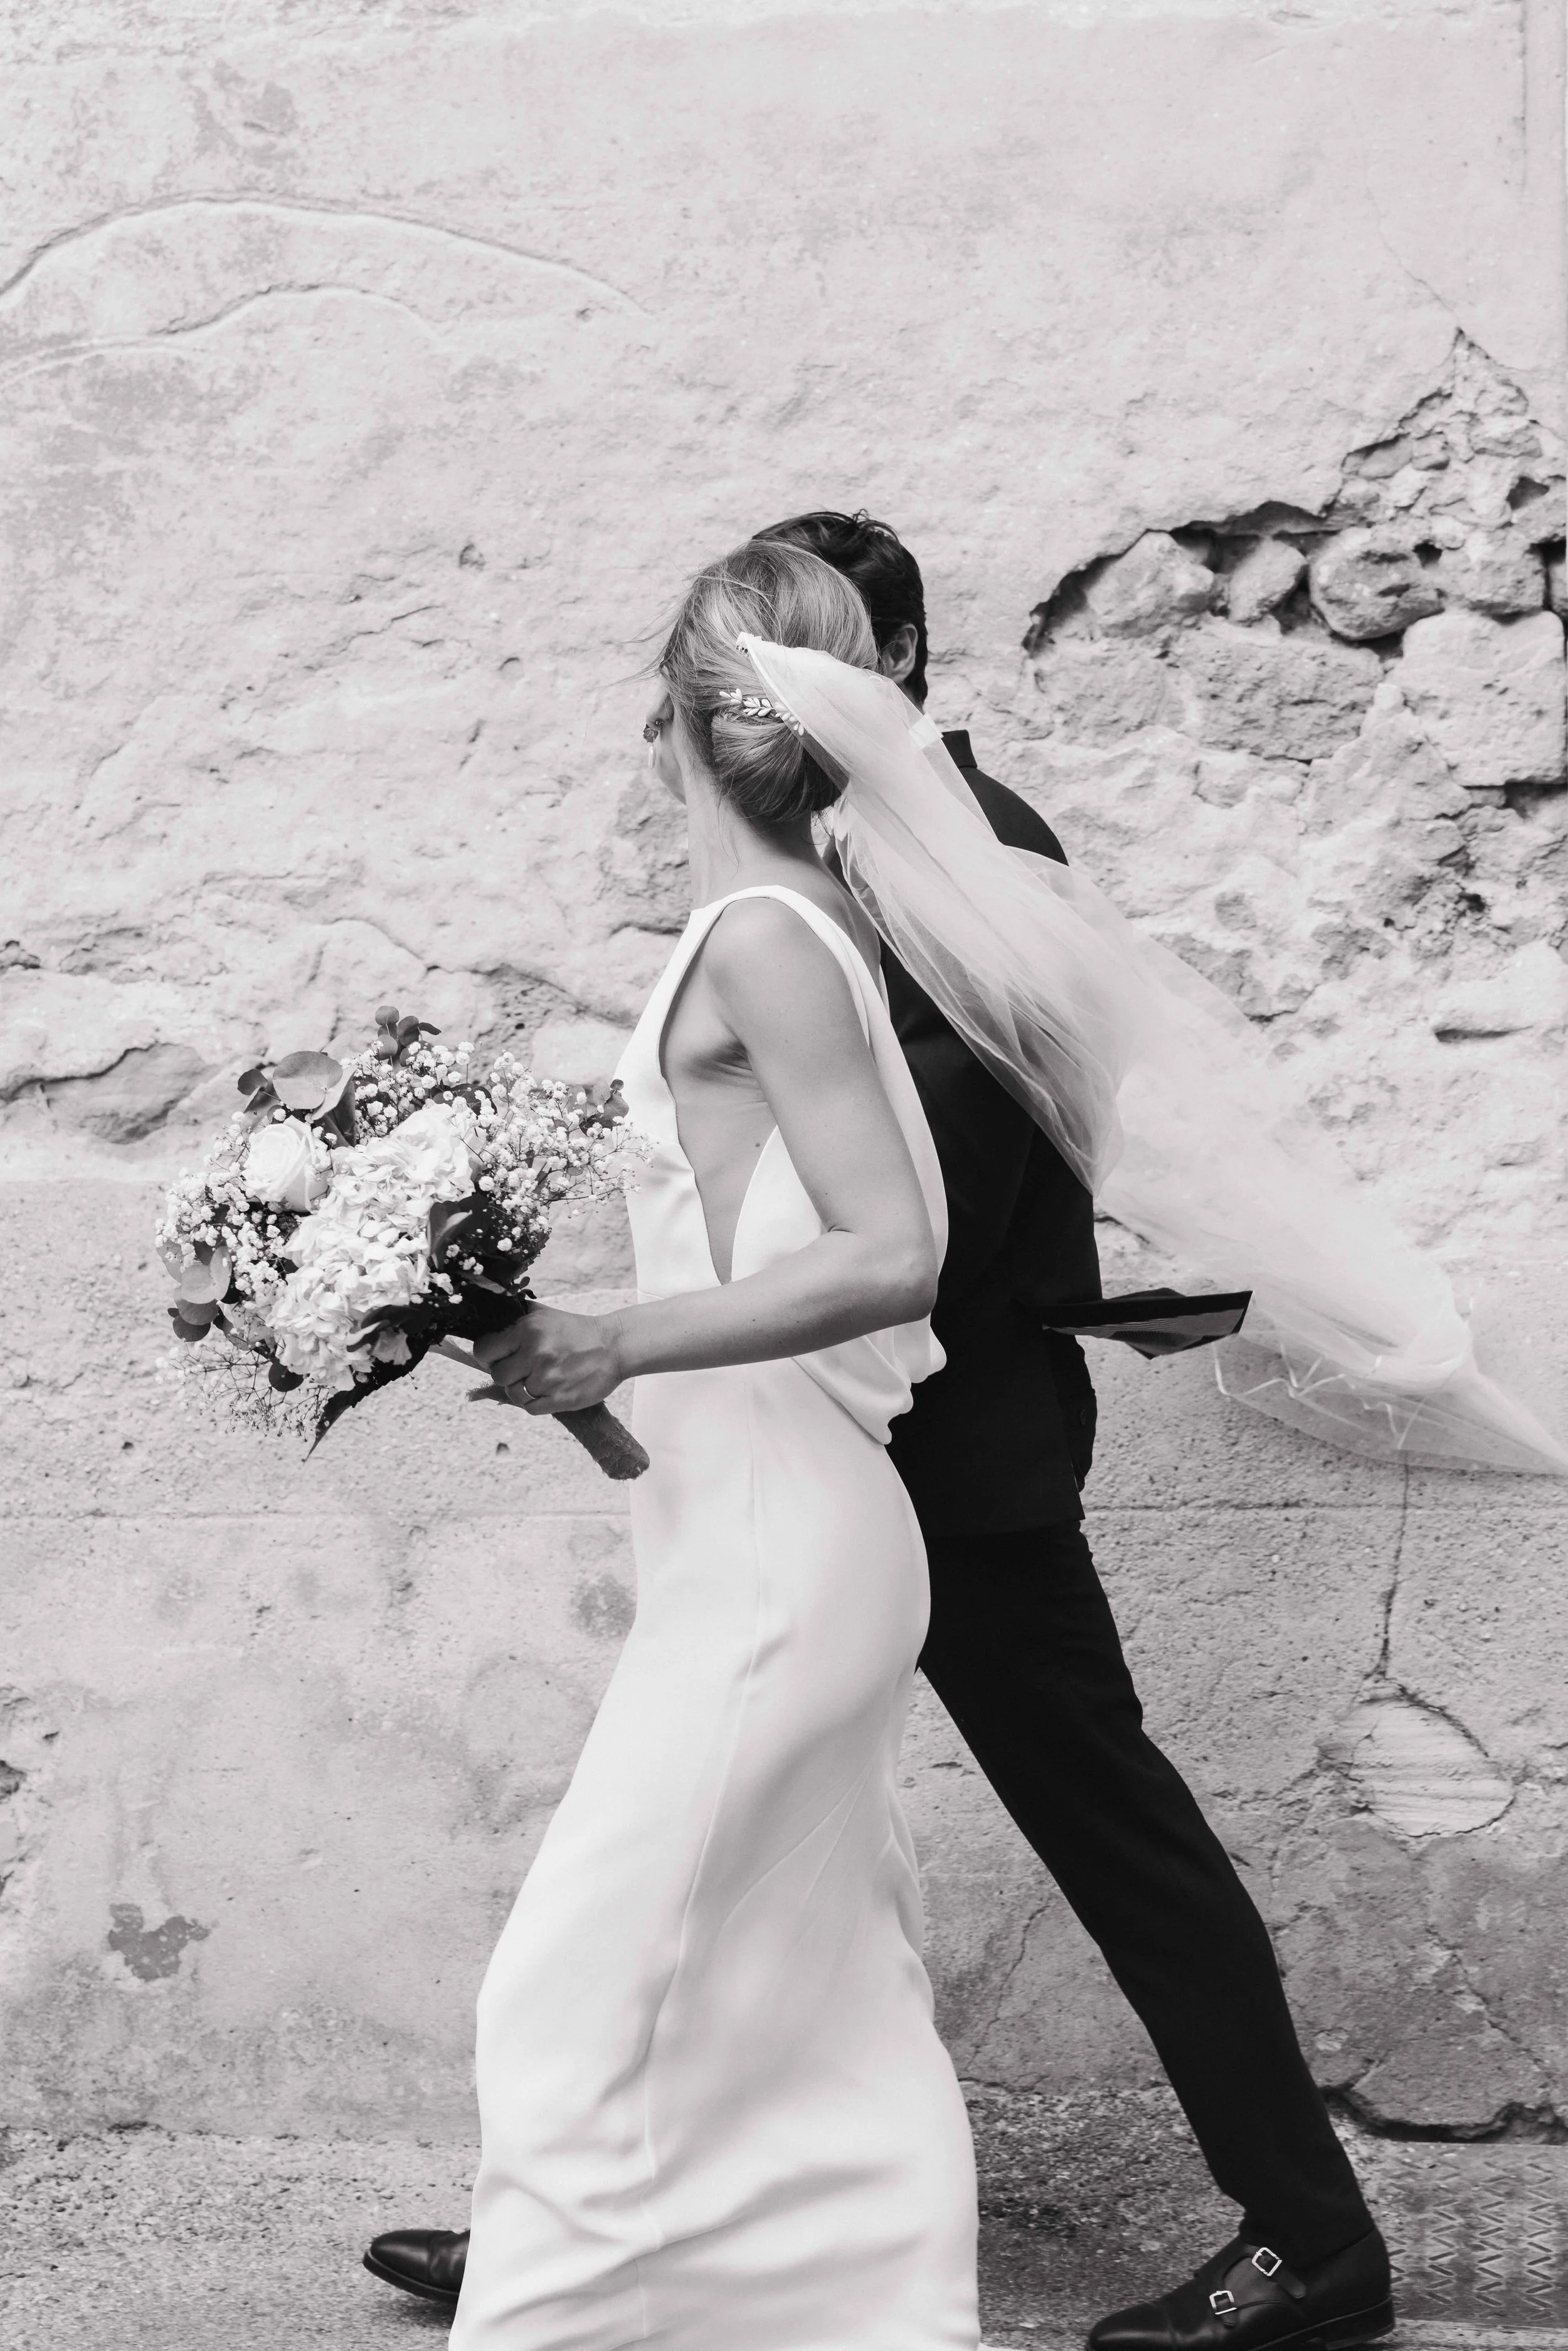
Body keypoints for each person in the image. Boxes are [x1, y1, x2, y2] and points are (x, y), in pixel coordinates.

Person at [364, 519, 1396, 2351]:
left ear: (901, 660)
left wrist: (828, 1372)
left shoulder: (977, 854)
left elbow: (958, 1179)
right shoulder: (822, 855)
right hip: (789, 1430)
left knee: (1109, 1830)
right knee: (732, 1848)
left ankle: (1310, 2242)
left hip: (944, 1438)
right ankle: (614, 2220)